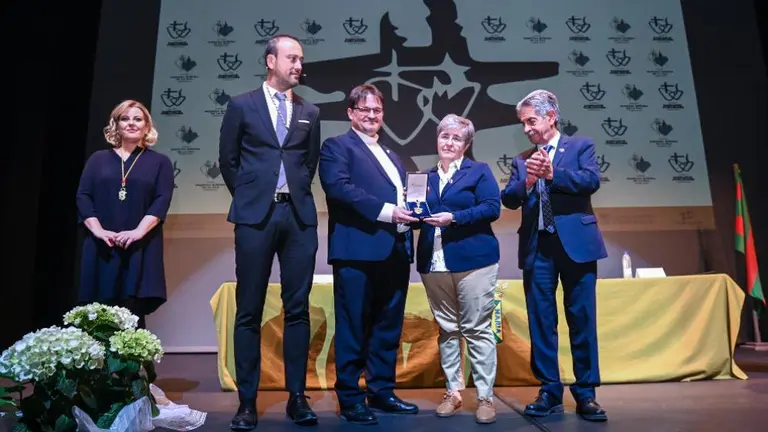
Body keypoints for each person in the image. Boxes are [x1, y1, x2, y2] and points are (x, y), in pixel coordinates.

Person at [218, 34, 321, 430]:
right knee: (249, 309)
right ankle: (247, 402)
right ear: (270, 61)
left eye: (300, 59)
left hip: (298, 218)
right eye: (291, 58)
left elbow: (307, 163)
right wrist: (250, 197)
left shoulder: (310, 110)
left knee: (297, 309)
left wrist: (289, 194)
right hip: (255, 217)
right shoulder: (242, 105)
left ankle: (297, 396)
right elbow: (228, 160)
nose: (298, 65)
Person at [500, 89, 608, 422]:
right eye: (523, 123)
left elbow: (590, 181)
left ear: (551, 117)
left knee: (582, 319)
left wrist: (552, 175)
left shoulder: (580, 146)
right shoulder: (522, 159)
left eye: (531, 121)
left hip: (576, 246)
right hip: (538, 248)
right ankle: (549, 390)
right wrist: (529, 180)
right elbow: (509, 199)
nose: (526, 128)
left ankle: (586, 393)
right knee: (542, 322)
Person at [318, 84, 420, 425]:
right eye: (365, 110)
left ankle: (382, 391)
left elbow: (404, 197)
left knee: (387, 326)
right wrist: (389, 212)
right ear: (350, 113)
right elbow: (339, 189)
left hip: (394, 249)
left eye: (377, 111)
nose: (372, 116)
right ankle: (350, 397)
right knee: (353, 325)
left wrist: (416, 211)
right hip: (357, 251)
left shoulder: (392, 154)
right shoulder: (337, 147)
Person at [415, 114, 501, 424]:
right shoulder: (423, 177)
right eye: (444, 137)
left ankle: (485, 397)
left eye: (456, 138)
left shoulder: (479, 172)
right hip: (433, 261)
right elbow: (417, 212)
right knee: (448, 329)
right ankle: (453, 393)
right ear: (437, 140)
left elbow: (493, 207)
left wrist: (455, 217)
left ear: (465, 145)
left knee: (477, 329)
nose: (449, 142)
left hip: (474, 260)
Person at [76, 100, 174, 329]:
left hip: (140, 244)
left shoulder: (160, 162)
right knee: (99, 312)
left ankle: (131, 363)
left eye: (137, 119)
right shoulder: (98, 159)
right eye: (125, 119)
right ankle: (99, 363)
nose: (131, 123)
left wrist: (138, 232)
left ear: (147, 126)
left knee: (133, 309)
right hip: (103, 244)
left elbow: (162, 200)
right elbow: (83, 196)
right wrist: (98, 231)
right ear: (116, 125)